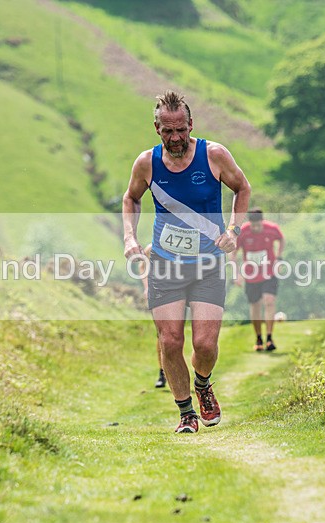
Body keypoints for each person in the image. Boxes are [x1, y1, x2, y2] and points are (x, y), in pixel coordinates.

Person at [123, 90, 251, 433]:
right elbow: (131, 198)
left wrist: (234, 230)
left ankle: (203, 385)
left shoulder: (214, 155)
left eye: (181, 129)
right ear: (157, 129)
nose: (176, 138)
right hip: (165, 263)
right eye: (168, 131)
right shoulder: (146, 163)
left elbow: (243, 188)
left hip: (208, 262)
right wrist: (129, 237)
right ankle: (186, 414)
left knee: (205, 345)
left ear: (191, 124)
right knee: (170, 341)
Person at [232, 208, 284, 352]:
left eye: (258, 225)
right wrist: (237, 274)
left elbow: (281, 239)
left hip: (269, 272)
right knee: (255, 306)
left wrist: (279, 258)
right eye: (253, 225)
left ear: (262, 221)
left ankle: (269, 337)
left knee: (269, 301)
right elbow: (233, 254)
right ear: (250, 222)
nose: (255, 228)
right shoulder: (243, 232)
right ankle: (259, 338)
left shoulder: (272, 229)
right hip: (251, 275)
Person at [139, 243, 166, 389]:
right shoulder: (152, 248)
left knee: (177, 334)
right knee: (161, 334)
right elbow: (142, 266)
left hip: (179, 294)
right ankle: (162, 372)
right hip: (158, 293)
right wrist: (146, 287)